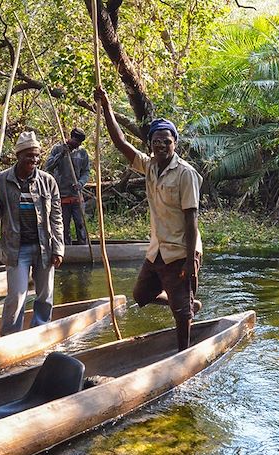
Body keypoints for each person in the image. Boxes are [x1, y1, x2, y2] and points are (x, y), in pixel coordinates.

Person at [94, 88, 203, 351]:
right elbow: (121, 143)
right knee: (141, 294)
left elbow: (191, 220)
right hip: (158, 249)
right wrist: (106, 106)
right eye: (157, 141)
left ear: (174, 143)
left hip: (180, 250)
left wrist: (190, 261)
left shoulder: (185, 174)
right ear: (150, 144)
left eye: (167, 141)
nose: (162, 146)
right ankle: (187, 303)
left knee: (181, 316)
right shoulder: (150, 166)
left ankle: (183, 353)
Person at [0, 131, 64, 336]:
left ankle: (40, 332)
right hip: (16, 248)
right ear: (19, 156)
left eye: (37, 156)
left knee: (44, 296)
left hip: (44, 246)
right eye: (29, 155)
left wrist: (59, 249)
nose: (34, 160)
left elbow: (56, 218)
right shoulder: (1, 180)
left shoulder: (48, 181)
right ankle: (10, 337)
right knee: (17, 296)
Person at [44, 127, 90, 245]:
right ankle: (66, 250)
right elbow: (48, 167)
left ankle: (83, 248)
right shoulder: (57, 149)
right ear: (71, 138)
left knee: (81, 225)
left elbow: (86, 172)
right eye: (76, 142)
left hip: (77, 196)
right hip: (61, 196)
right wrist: (61, 154)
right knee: (64, 227)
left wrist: (80, 183)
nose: (77, 145)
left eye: (79, 143)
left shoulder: (82, 153)